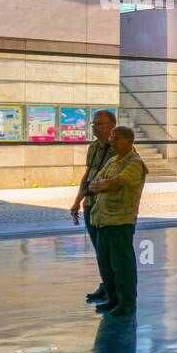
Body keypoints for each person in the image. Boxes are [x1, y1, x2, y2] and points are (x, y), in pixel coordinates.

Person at [87, 126, 148, 317]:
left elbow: (115, 183)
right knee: (105, 262)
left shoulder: (135, 163)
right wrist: (103, 184)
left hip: (120, 220)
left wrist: (105, 184)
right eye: (112, 137)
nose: (112, 141)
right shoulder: (112, 162)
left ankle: (126, 301)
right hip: (102, 219)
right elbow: (92, 185)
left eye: (117, 138)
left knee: (122, 264)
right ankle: (113, 298)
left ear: (130, 141)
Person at [70, 109, 116, 304]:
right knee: (100, 250)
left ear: (111, 126)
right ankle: (106, 285)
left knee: (109, 251)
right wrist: (77, 200)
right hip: (90, 204)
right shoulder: (93, 148)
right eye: (94, 123)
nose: (94, 127)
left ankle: (114, 290)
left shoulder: (118, 149)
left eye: (99, 123)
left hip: (105, 207)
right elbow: (87, 175)